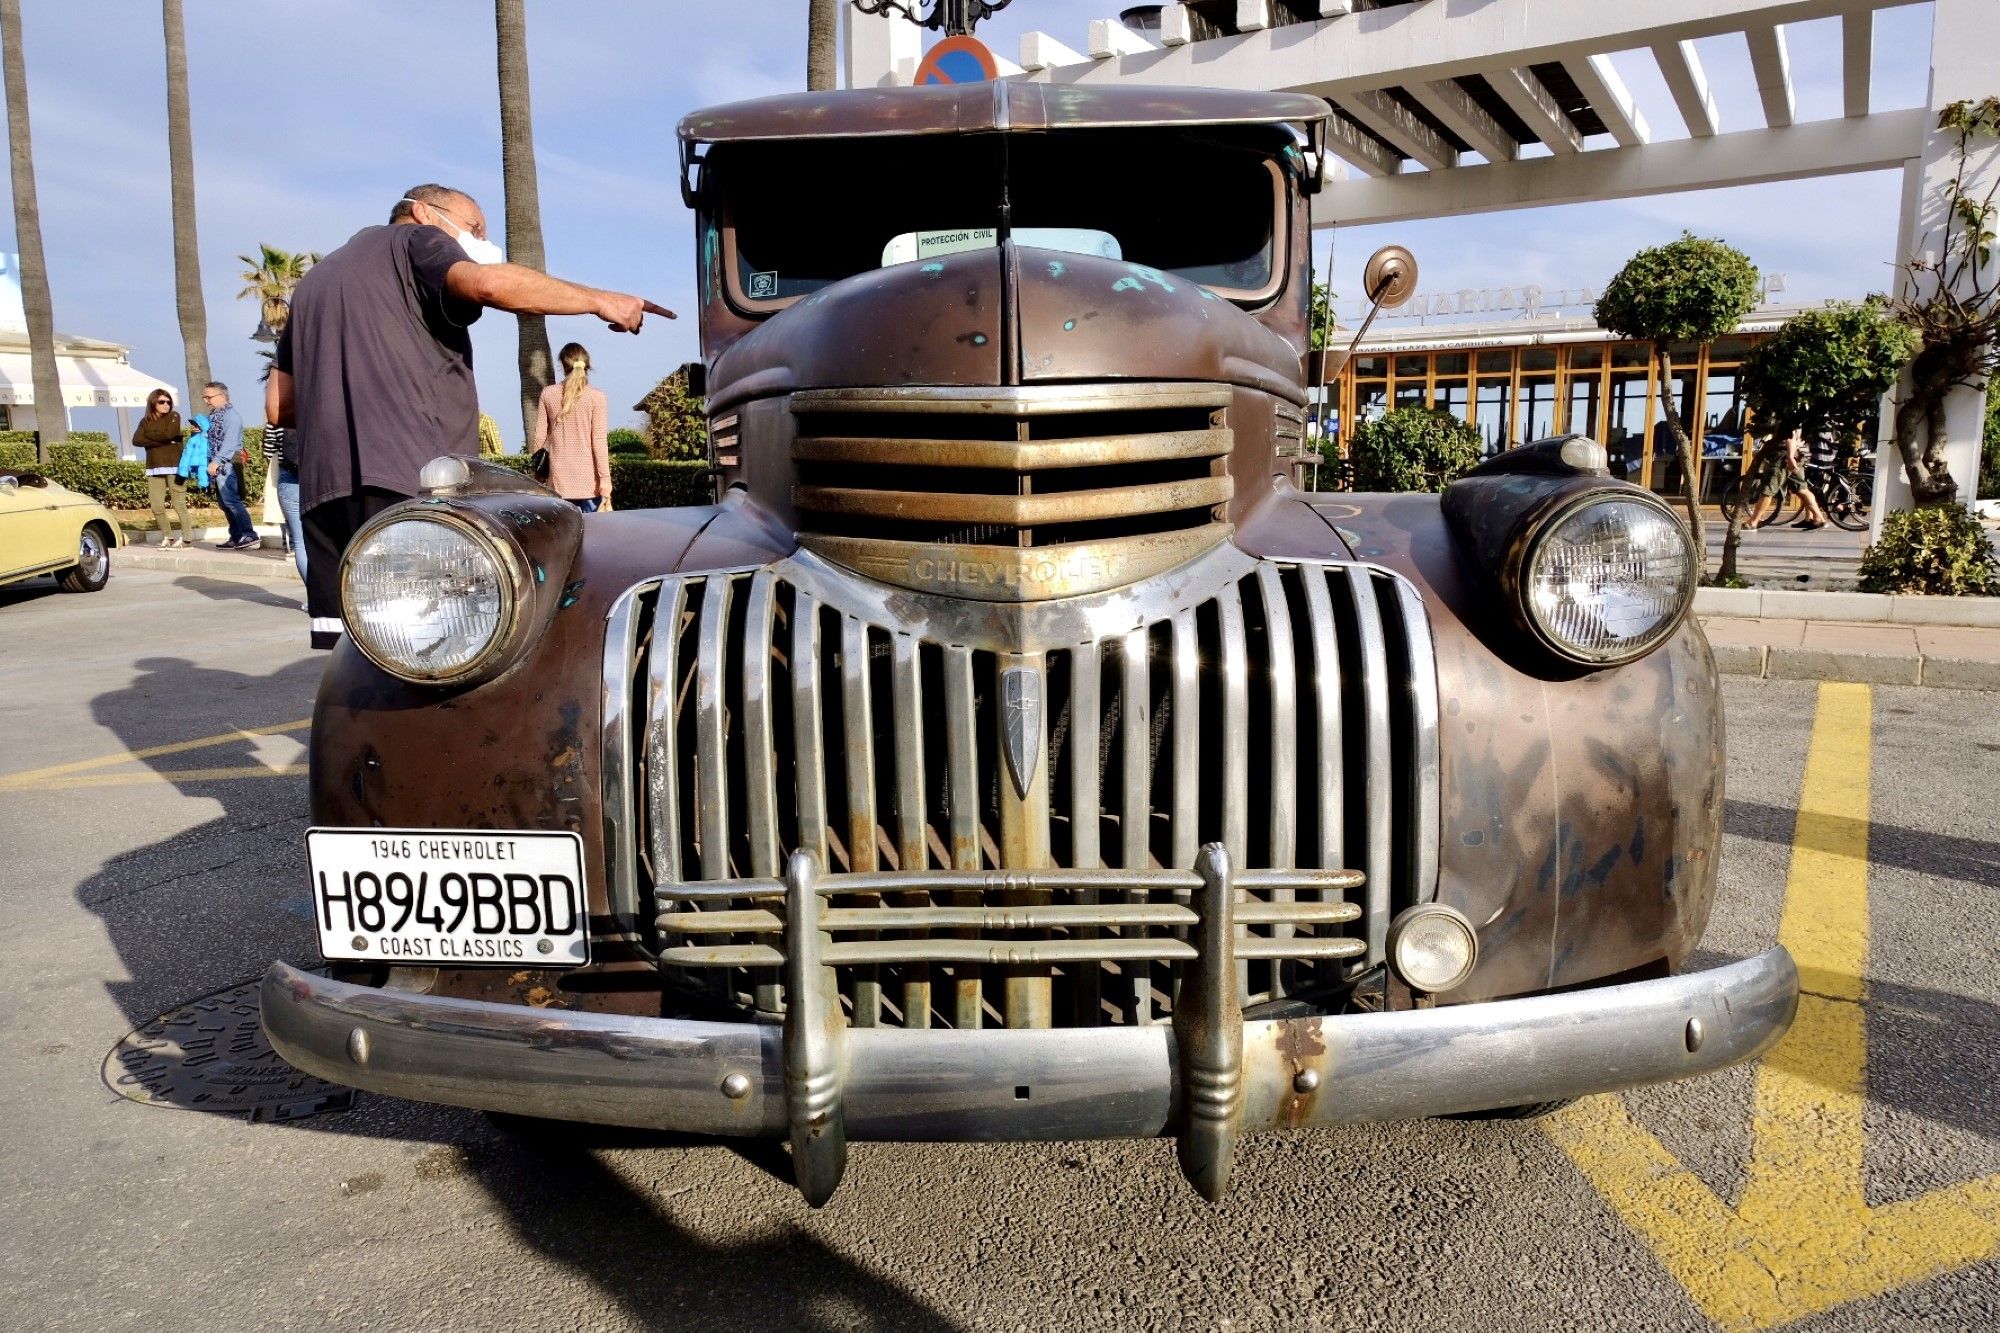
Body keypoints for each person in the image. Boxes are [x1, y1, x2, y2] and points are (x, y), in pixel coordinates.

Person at [266, 183, 671, 649]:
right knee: (440, 647)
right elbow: (487, 282)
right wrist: (604, 300)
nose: (479, 240)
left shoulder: (315, 281)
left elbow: (280, 405)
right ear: (422, 211)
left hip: (326, 497)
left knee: (357, 653)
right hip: (413, 485)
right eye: (475, 228)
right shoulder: (417, 241)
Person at [533, 342, 611, 513]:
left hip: (558, 483)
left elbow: (539, 438)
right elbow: (599, 442)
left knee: (562, 537)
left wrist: (538, 475)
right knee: (594, 536)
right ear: (587, 365)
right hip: (590, 486)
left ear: (562, 365)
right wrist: (605, 484)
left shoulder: (548, 394)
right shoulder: (597, 398)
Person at [132, 390, 195, 548]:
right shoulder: (145, 421)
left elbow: (169, 434)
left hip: (175, 467)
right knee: (156, 506)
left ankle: (186, 538)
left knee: (179, 504)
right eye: (162, 402)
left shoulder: (174, 416)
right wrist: (166, 440)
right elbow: (136, 440)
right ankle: (168, 536)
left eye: (168, 402)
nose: (166, 405)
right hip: (154, 468)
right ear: (153, 403)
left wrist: (150, 437)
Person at [201, 382, 258, 549]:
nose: (206, 401)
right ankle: (236, 535)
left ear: (221, 396)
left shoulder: (231, 416)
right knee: (224, 503)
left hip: (227, 464)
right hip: (217, 464)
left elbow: (230, 443)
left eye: (208, 397)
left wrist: (216, 461)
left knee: (232, 500)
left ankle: (249, 534)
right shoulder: (215, 416)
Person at [1744, 428, 1829, 532]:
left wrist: (1790, 457)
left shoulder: (1788, 416)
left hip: (1782, 457)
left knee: (1768, 489)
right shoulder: (1798, 417)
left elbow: (1790, 437)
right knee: (1801, 489)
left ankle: (1753, 521)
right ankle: (1818, 518)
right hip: (1794, 455)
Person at [263, 418, 306, 581]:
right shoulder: (317, 408)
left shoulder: (278, 418)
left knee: (300, 542)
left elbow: (268, 452)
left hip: (289, 478)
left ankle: (315, 598)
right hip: (318, 478)